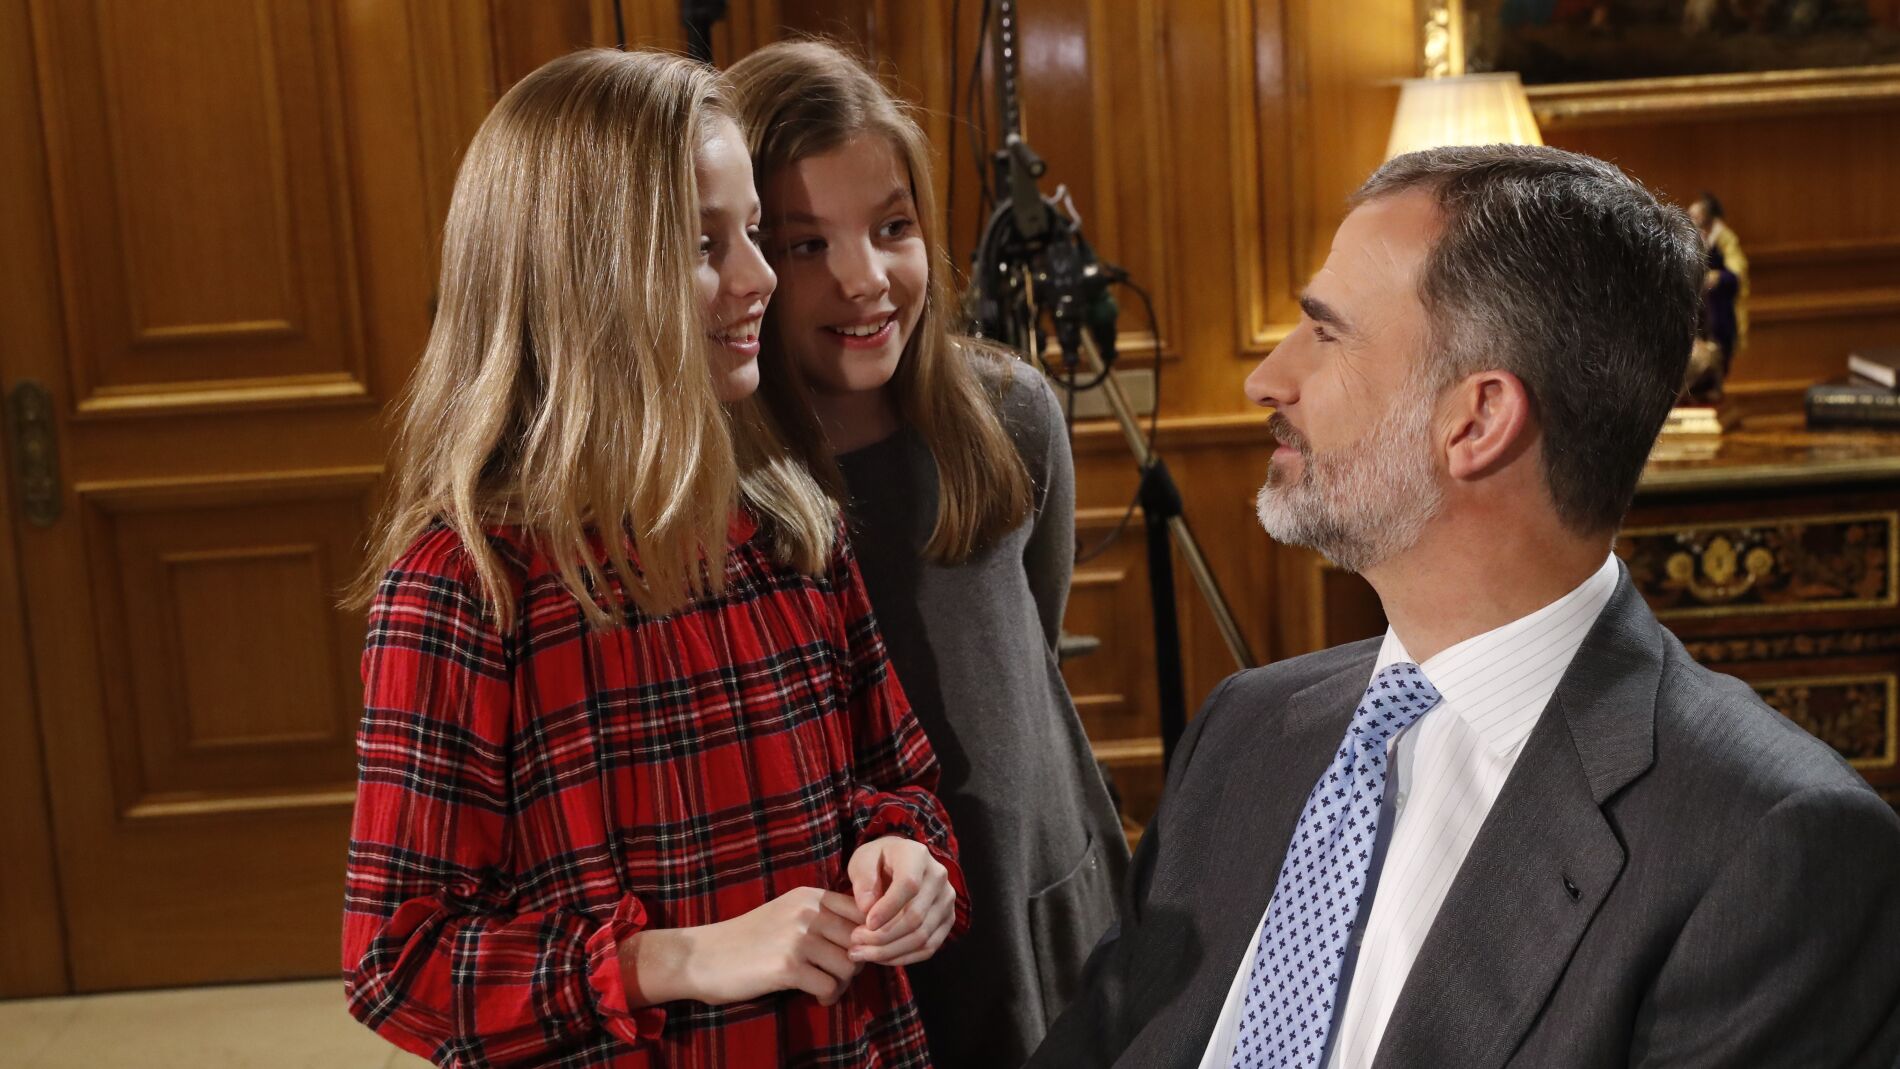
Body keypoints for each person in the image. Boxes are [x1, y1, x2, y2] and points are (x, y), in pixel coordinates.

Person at [1026, 144, 1900, 1068]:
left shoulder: (1772, 850)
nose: (1267, 379)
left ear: (1477, 421)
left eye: (1325, 333)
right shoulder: (1245, 732)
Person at [341, 49, 967, 1068]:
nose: (761, 277)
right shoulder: (463, 588)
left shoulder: (789, 520)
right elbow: (397, 965)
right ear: (584, 278)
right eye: (705, 243)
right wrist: (669, 960)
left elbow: (897, 780)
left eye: (754, 233)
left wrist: (906, 853)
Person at [725, 39, 1130, 1069]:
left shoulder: (1009, 414)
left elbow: (1028, 649)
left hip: (1037, 895)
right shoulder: (720, 481)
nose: (866, 280)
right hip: (859, 939)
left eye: (892, 227)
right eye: (806, 245)